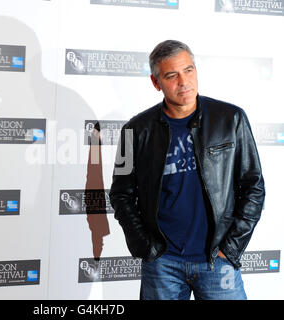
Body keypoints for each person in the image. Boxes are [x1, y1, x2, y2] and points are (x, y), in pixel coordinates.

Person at [109, 40, 265, 300]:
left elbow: (254, 186)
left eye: (189, 70)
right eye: (172, 75)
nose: (184, 82)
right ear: (156, 82)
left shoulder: (232, 119)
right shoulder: (132, 131)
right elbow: (120, 194)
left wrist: (232, 246)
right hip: (162, 263)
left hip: (217, 260)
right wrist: (146, 247)